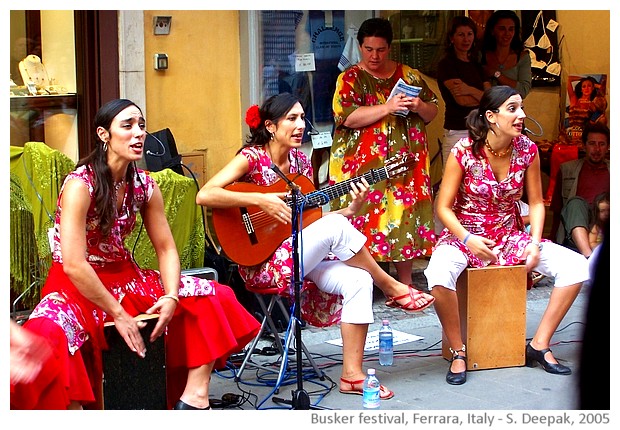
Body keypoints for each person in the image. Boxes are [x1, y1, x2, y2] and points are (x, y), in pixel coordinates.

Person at [10, 99, 260, 410]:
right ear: (104, 134)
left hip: (126, 276)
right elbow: (74, 264)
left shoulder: (143, 184)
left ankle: (195, 399)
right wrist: (118, 313)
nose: (138, 133)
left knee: (214, 296)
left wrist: (170, 295)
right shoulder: (80, 185)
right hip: (75, 285)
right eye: (127, 126)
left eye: (141, 125)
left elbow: (166, 247)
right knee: (47, 338)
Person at [196, 93, 435, 400]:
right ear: (270, 126)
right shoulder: (252, 157)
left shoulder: (299, 161)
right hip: (262, 262)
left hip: (298, 253)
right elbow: (206, 194)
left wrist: (349, 211)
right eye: (291, 119)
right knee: (337, 233)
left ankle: (352, 374)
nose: (300, 126)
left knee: (358, 278)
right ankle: (391, 286)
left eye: (302, 119)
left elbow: (311, 221)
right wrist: (260, 199)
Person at [424, 85, 589, 385]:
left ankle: (539, 345)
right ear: (491, 116)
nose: (521, 115)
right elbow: (443, 207)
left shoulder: (528, 149)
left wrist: (535, 243)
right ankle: (459, 350)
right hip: (465, 236)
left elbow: (537, 202)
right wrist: (467, 238)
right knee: (437, 274)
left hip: (508, 235)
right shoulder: (464, 151)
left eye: (521, 108)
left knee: (577, 267)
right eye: (513, 109)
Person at [329, 17, 438, 288]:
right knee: (364, 216)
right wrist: (387, 107)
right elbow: (347, 117)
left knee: (403, 217)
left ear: (389, 47)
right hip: (363, 164)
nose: (374, 56)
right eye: (368, 49)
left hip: (404, 162)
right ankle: (364, 281)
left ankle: (405, 284)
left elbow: (432, 111)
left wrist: (418, 105)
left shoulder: (409, 75)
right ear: (360, 47)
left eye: (380, 49)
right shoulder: (350, 78)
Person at [550, 122, 610, 258]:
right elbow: (557, 210)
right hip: (577, 228)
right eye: (592, 143)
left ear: (608, 147)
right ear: (584, 145)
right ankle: (589, 258)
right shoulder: (567, 169)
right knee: (575, 203)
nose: (597, 149)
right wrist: (553, 241)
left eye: (601, 144)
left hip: (605, 227)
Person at [437, 15, 490, 167]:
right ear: (452, 38)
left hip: (481, 131)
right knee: (451, 183)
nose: (466, 39)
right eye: (461, 35)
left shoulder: (477, 65)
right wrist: (481, 97)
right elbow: (462, 101)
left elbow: (491, 98)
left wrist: (469, 89)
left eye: (469, 34)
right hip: (457, 131)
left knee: (480, 182)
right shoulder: (446, 64)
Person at [481, 10, 531, 99]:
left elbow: (523, 91)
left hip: (511, 110)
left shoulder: (523, 57)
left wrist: (496, 74)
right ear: (492, 31)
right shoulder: (481, 55)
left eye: (511, 29)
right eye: (502, 29)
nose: (507, 33)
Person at [566, 75, 608, 144]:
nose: (586, 88)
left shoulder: (594, 103)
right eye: (584, 86)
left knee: (602, 118)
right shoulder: (574, 99)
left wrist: (594, 84)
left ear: (593, 88)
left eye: (589, 86)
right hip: (572, 134)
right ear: (581, 89)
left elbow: (602, 89)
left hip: (585, 136)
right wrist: (583, 79)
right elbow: (569, 79)